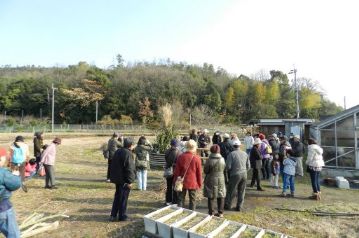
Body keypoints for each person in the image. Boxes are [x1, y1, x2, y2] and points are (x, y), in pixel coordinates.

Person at [109, 138, 136, 222]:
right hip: (124, 180)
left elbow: (112, 165)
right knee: (123, 198)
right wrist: (130, 181)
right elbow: (130, 169)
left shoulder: (118, 151)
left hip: (117, 179)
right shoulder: (128, 153)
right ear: (130, 145)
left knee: (117, 197)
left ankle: (113, 215)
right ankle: (122, 216)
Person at [173, 139, 202, 211]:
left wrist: (175, 181)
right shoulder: (197, 158)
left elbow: (176, 172)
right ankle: (192, 213)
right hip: (193, 182)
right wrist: (199, 183)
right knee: (192, 200)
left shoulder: (181, 157)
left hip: (181, 181)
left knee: (180, 199)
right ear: (194, 147)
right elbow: (199, 173)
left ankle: (179, 212)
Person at [0, 148, 21, 238]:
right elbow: (15, 184)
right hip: (3, 208)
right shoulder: (3, 173)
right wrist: (16, 176)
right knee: (12, 233)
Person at [224, 140, 249, 212]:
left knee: (231, 190)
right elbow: (248, 166)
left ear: (233, 146)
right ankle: (239, 206)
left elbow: (228, 167)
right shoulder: (245, 153)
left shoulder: (231, 154)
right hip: (244, 173)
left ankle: (228, 205)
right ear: (240, 146)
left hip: (235, 174)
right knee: (241, 191)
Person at [203, 145, 226, 217]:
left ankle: (211, 213)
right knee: (221, 194)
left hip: (211, 178)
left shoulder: (209, 160)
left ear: (211, 151)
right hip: (221, 178)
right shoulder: (222, 159)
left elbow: (206, 171)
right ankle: (221, 213)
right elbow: (224, 168)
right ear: (219, 151)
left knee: (211, 195)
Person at [164, 139, 181, 205]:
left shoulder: (167, 151)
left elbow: (166, 160)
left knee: (169, 186)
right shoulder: (178, 152)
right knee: (175, 186)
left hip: (168, 171)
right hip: (175, 171)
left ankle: (168, 201)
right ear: (176, 145)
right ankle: (175, 201)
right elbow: (178, 162)